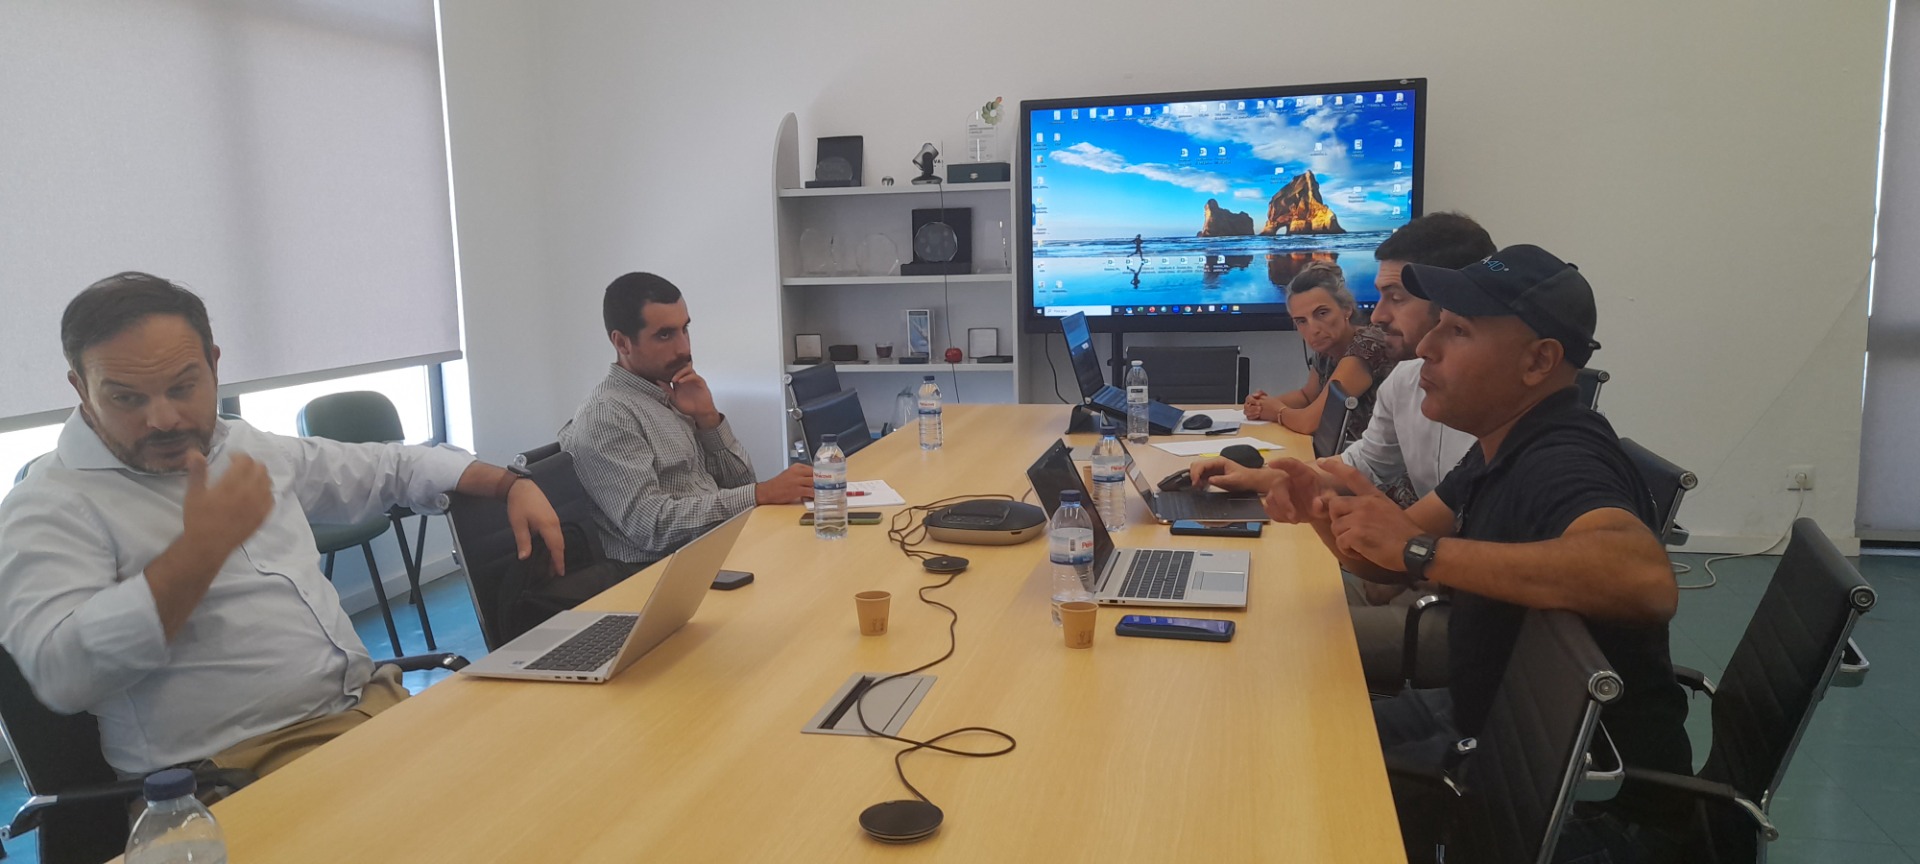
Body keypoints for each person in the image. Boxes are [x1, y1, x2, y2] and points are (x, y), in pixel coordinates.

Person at [0, 272, 565, 778]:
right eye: (126, 398)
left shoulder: (240, 445)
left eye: (182, 387)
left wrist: (507, 483)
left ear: (214, 364)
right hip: (234, 770)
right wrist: (198, 553)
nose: (163, 418)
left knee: (551, 762)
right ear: (81, 388)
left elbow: (385, 467)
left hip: (368, 710)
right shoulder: (50, 505)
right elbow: (60, 673)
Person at [1270, 246, 1691, 861]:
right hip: (1482, 717)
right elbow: (1388, 560)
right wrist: (1320, 508)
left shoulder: (1563, 456)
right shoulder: (1499, 444)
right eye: (1437, 324)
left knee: (1294, 796)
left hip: (1585, 807)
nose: (1426, 347)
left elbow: (1642, 578)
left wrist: (1418, 549)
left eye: (1459, 331)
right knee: (1282, 745)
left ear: (1538, 361)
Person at [1197, 213, 1497, 689]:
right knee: (1261, 593)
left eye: (1396, 297)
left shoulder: (1506, 419)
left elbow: (1417, 544)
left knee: (1268, 634)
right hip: (1413, 578)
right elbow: (1364, 470)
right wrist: (1265, 478)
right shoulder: (1404, 381)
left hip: (1458, 616)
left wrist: (1415, 554)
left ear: (1454, 304)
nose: (1376, 317)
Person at [560, 272, 812, 567]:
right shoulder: (607, 415)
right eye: (665, 335)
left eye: (685, 329)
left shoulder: (671, 392)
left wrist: (708, 419)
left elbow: (742, 482)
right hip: (660, 573)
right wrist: (759, 495)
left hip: (719, 549)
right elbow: (651, 527)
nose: (684, 348)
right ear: (622, 343)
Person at [1243, 262, 1397, 439]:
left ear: (1346, 309)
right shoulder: (1327, 347)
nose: (1313, 329)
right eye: (1301, 321)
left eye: (1322, 313)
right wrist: (1261, 404)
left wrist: (1277, 411)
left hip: (1384, 455)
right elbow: (1307, 396)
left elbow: (1310, 423)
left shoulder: (1366, 347)